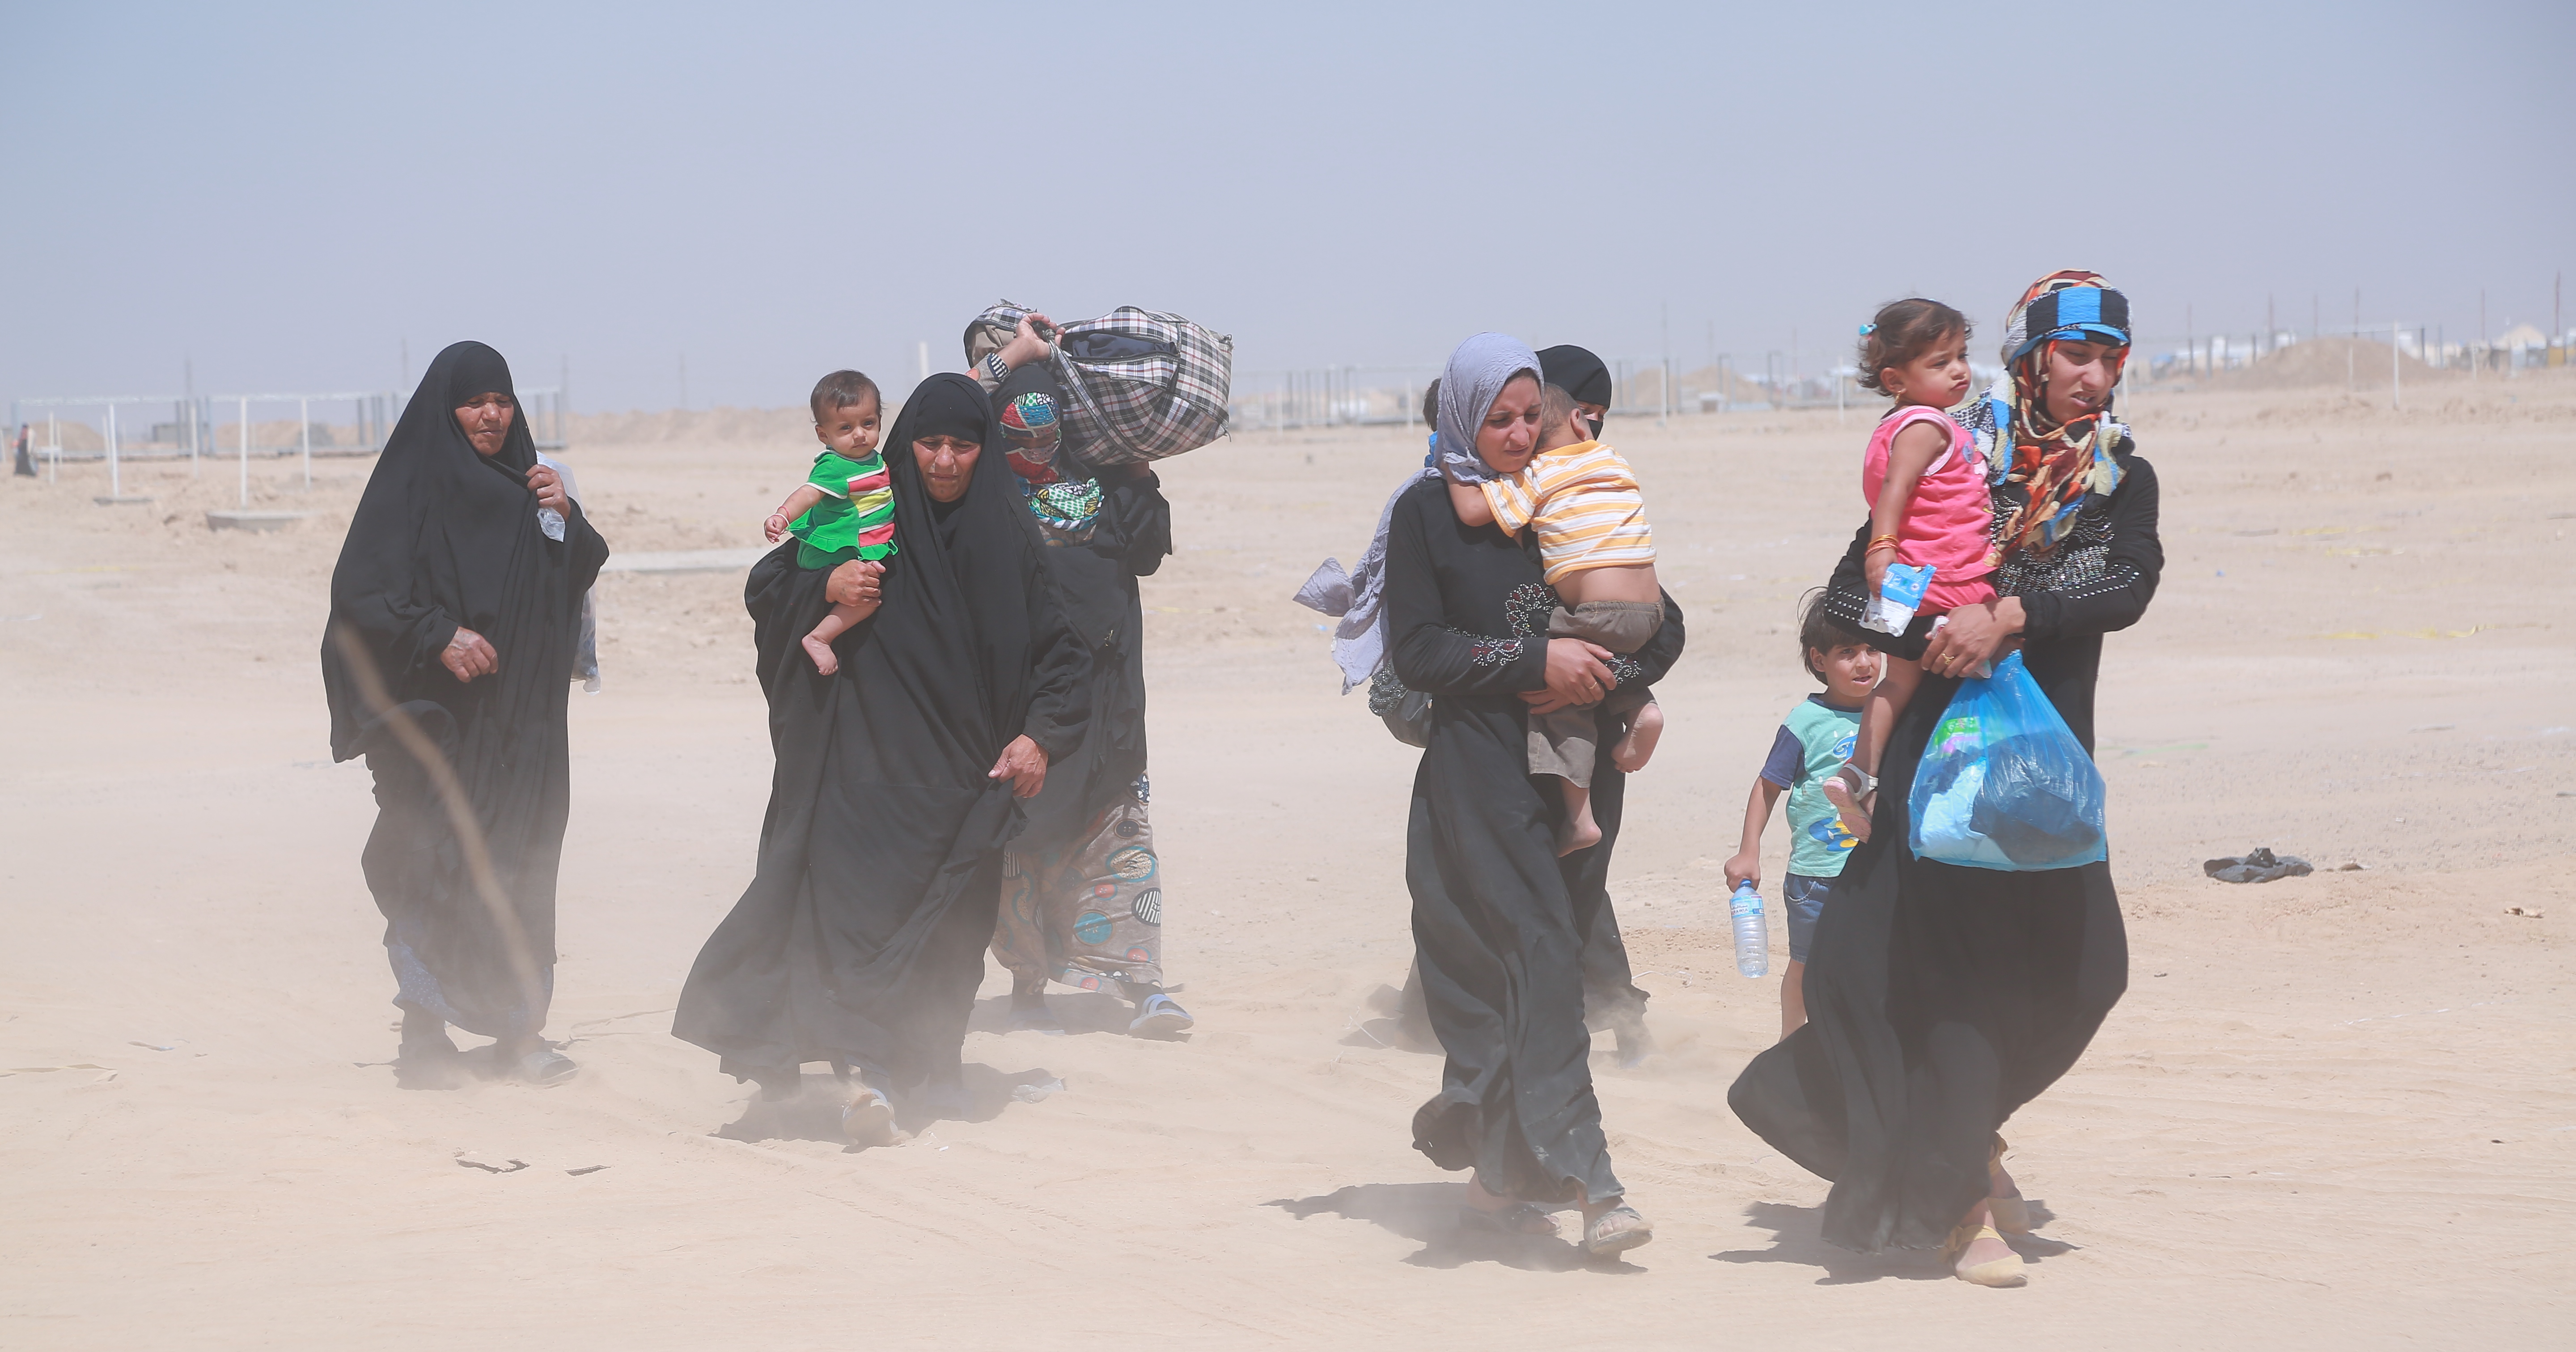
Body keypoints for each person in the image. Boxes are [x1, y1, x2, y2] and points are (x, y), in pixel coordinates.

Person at [1729, 270, 2160, 1287]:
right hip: (1932, 768)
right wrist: (1934, 628)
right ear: (2030, 360)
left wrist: (2007, 613)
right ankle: (1959, 1199)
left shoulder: (2112, 474)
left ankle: (1956, 1138)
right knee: (1962, 981)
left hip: (2039, 772)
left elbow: (2124, 576)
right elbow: (1853, 590)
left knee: (2087, 969)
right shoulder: (1951, 443)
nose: (2092, 379)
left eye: (2109, 360)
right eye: (2073, 358)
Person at [674, 374, 1092, 1145]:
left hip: (968, 782)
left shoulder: (1010, 539)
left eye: (961, 445)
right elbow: (770, 589)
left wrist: (1041, 736)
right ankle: (867, 1075)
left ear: (983, 450)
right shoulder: (872, 514)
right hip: (864, 772)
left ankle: (935, 1066)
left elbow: (1064, 656)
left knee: (953, 932)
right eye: (928, 444)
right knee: (860, 924)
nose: (941, 461)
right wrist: (823, 582)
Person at [1385, 332, 1686, 1258]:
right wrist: (1529, 661)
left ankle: (1492, 1187)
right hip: (1478, 774)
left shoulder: (1569, 487)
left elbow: (1665, 627)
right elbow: (1420, 651)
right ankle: (1596, 1186)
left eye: (1529, 416)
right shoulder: (1430, 511)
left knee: (1538, 973)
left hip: (1579, 779)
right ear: (1460, 418)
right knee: (1547, 964)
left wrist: (1599, 669)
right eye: (1497, 418)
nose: (1518, 435)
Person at [321, 340, 609, 1089]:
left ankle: (521, 1033)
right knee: (433, 863)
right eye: (476, 401)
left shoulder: (532, 487)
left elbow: (570, 580)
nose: (491, 415)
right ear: (446, 410)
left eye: (503, 401)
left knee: (521, 866)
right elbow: (361, 593)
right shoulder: (410, 488)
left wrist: (568, 518)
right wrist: (437, 634)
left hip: (521, 729)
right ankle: (423, 1035)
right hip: (437, 723)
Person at [968, 311, 1195, 1038]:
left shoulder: (1095, 474)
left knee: (1119, 835)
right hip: (1019, 709)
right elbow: (930, 416)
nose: (1035, 444)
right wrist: (1018, 355)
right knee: (1019, 851)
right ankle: (1028, 980)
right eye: (1018, 432)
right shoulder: (974, 491)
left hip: (1106, 706)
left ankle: (1143, 983)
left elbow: (1150, 546)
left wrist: (1132, 459)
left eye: (1048, 429)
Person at [1446, 381, 1663, 855]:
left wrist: (1450, 460)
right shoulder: (1611, 459)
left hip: (1599, 612)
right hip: (1652, 608)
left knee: (1561, 690)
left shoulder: (1538, 475)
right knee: (1605, 653)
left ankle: (1579, 818)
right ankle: (1639, 705)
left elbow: (1470, 511)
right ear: (1577, 420)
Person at [1818, 300, 1988, 840]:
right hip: (1944, 578)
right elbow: (1895, 491)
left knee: (1897, 682)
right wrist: (1881, 545)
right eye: (1941, 363)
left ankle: (1858, 776)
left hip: (1912, 582)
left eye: (1961, 356)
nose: (1960, 370)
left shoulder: (1899, 423)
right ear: (1896, 378)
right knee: (1988, 662)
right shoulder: (1925, 426)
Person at [1723, 591, 1875, 1039]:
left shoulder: (1890, 710)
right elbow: (1768, 785)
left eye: (1871, 648)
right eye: (1848, 652)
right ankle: (1791, 1045)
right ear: (1820, 659)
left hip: (1875, 868)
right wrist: (1749, 851)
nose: (1864, 662)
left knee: (1871, 962)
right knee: (1808, 965)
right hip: (1818, 875)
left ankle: (1859, 1047)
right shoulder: (1806, 721)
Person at [762, 370, 896, 675]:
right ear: (824, 435)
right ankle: (821, 638)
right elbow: (809, 494)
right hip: (841, 547)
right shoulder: (835, 465)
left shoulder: (873, 458)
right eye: (846, 428)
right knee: (868, 599)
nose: (860, 434)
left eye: (868, 424)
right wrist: (783, 515)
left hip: (866, 543)